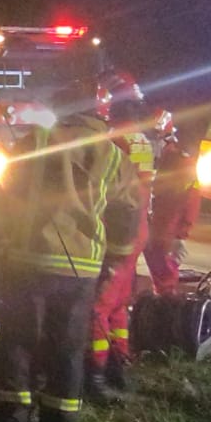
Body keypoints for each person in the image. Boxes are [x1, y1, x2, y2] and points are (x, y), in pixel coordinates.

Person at [0, 100, 141, 422]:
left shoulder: (34, 141)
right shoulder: (113, 155)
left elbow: (2, 193)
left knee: (18, 343)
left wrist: (3, 238)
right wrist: (115, 257)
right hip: (81, 270)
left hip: (26, 260)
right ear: (100, 118)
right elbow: (128, 211)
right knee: (68, 350)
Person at [89, 73, 156, 397]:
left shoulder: (113, 140)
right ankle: (119, 363)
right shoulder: (141, 140)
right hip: (135, 230)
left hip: (115, 231)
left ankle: (96, 373)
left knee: (98, 307)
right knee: (117, 305)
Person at [144, 112, 203, 296]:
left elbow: (190, 201)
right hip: (157, 227)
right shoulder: (169, 159)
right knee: (160, 274)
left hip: (166, 230)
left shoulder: (181, 162)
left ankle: (166, 306)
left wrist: (180, 235)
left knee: (165, 279)